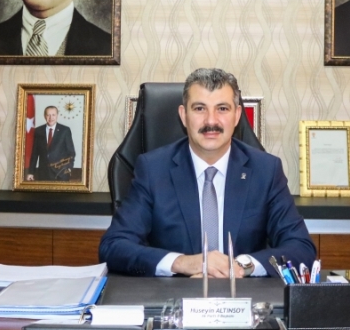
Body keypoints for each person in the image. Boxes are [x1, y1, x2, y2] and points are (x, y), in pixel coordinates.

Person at [99, 68, 316, 278]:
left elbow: (301, 248)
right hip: (174, 295)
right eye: (199, 108)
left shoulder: (266, 170)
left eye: (222, 108)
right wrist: (183, 263)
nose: (211, 121)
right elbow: (114, 246)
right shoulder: (153, 170)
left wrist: (239, 267)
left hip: (243, 294)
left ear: (237, 115)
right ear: (184, 115)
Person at [26, 106, 75, 182]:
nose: (51, 118)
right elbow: (35, 154)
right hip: (43, 173)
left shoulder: (65, 130)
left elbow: (71, 152)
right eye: (48, 115)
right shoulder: (38, 131)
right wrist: (31, 172)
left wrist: (68, 168)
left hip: (61, 174)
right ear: (45, 116)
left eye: (53, 115)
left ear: (57, 116)